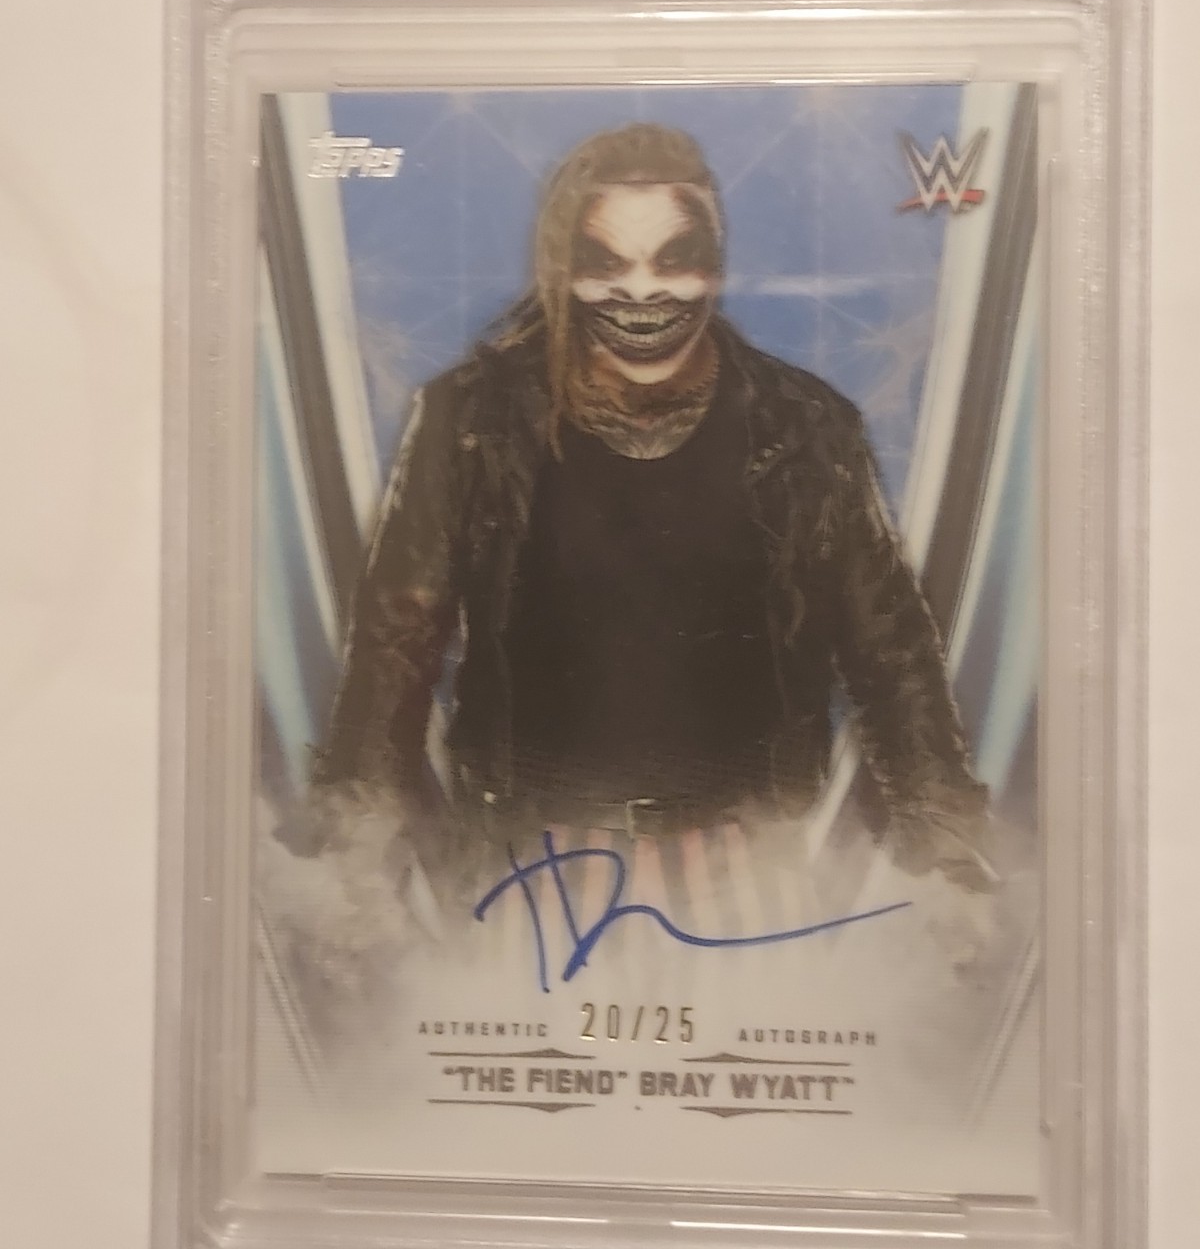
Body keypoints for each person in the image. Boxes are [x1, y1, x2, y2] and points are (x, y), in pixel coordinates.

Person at [307, 123, 992, 891]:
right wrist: (354, 840)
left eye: (673, 259)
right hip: (524, 862)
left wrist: (944, 836)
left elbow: (888, 646)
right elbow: (397, 639)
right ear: (562, 269)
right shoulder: (472, 417)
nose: (640, 292)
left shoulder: (806, 425)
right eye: (605, 264)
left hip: (746, 865)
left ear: (716, 265)